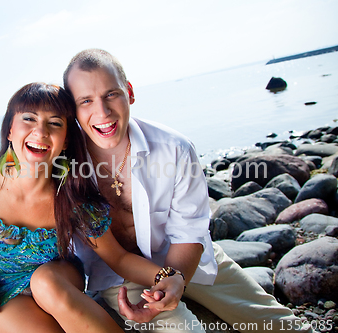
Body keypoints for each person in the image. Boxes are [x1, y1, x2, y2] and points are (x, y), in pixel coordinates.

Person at [60, 48, 314, 333]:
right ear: (72, 110)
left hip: (182, 253)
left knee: (280, 325)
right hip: (117, 274)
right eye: (86, 101)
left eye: (111, 94)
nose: (103, 112)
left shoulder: (175, 149)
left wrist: (178, 277)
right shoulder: (64, 166)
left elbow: (189, 229)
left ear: (129, 92)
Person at [0, 82, 205, 333]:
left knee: (44, 281)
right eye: (28, 119)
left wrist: (168, 277)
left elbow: (118, 258)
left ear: (65, 141)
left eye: (55, 123)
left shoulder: (71, 197)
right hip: (0, 290)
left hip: (57, 278)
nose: (40, 132)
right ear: (10, 129)